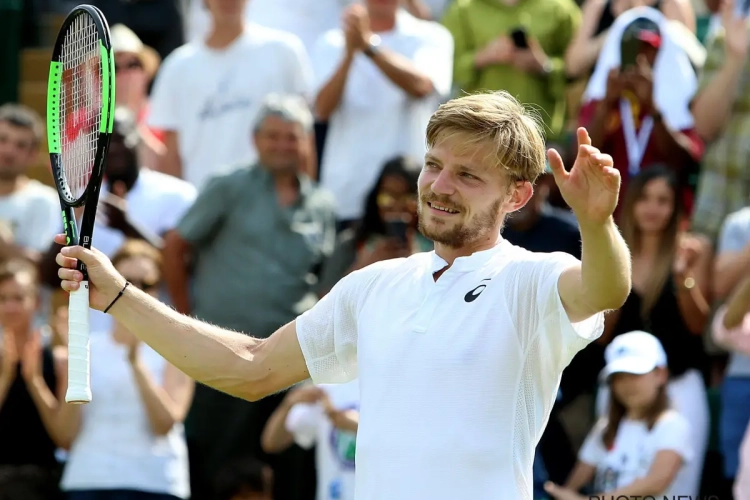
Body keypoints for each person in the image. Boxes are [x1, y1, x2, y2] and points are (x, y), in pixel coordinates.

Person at [54, 91, 632, 500]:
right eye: (434, 165)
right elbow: (250, 368)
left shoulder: (532, 279)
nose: (439, 186)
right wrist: (120, 295)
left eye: (468, 175)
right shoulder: (374, 286)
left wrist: (597, 222)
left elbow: (605, 288)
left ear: (518, 196)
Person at [56, 240, 192, 500]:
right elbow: (64, 436)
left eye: (146, 284)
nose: (135, 292)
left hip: (154, 483)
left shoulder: (177, 350)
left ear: (158, 291)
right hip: (88, 480)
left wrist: (135, 362)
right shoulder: (85, 347)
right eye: (125, 282)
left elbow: (164, 425)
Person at [544, 331, 693, 499]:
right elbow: (575, 482)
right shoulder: (605, 428)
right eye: (618, 377)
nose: (627, 384)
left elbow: (657, 482)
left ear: (660, 374)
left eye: (635, 375)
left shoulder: (673, 425)